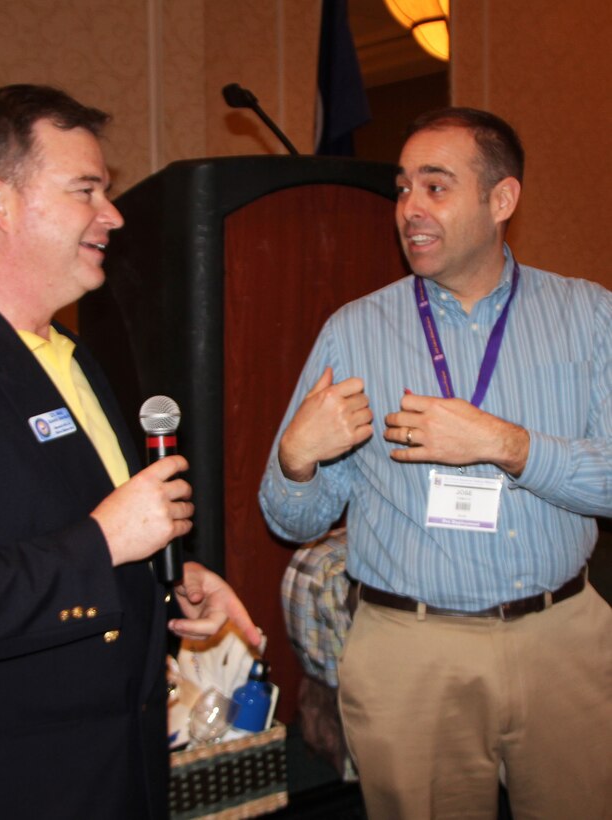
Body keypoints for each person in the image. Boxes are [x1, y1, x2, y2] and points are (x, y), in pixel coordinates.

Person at [0, 84, 260, 820]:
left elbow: (59, 528)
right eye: (86, 190)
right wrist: (105, 543)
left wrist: (171, 578)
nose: (113, 214)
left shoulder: (71, 355)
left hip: (122, 774)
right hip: (11, 791)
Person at [260, 107, 611, 820]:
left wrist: (507, 444)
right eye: (402, 189)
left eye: (436, 187)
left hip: (562, 643)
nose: (409, 209)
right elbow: (297, 519)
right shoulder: (354, 331)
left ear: (501, 199)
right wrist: (295, 461)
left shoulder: (589, 315)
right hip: (410, 653)